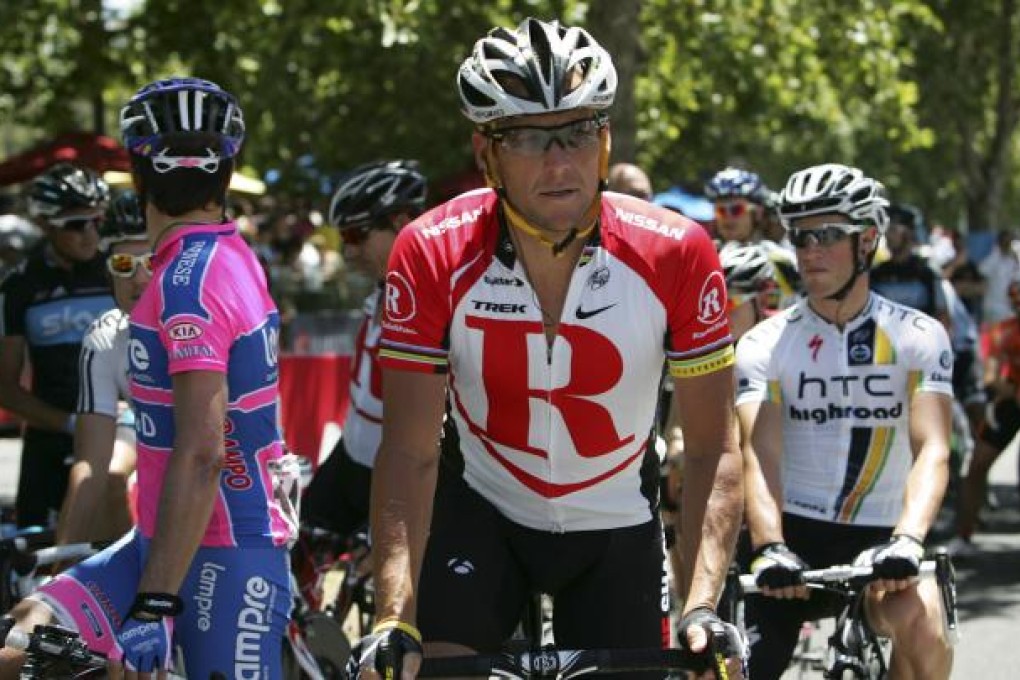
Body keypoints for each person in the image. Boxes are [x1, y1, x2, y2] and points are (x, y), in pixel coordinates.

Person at [348, 17, 745, 680]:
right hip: (482, 511)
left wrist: (701, 605)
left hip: (616, 522)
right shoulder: (431, 250)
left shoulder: (677, 251)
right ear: (487, 154)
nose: (559, 161)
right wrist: (394, 615)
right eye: (529, 138)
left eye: (577, 132)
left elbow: (711, 447)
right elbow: (411, 450)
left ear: (604, 139)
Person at [0, 77, 296, 678]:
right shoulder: (229, 253)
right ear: (227, 169)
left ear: (137, 172)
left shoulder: (188, 279)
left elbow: (202, 455)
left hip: (226, 553)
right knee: (25, 644)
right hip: (157, 542)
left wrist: (154, 605)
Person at [735, 163, 955, 680]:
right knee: (736, 669)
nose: (809, 251)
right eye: (799, 236)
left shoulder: (917, 336)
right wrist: (769, 547)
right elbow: (758, 453)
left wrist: (908, 538)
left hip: (883, 535)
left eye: (827, 235)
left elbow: (933, 449)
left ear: (868, 240)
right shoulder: (765, 343)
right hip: (791, 538)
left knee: (923, 629)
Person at [300, 159, 427, 540]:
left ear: (403, 222)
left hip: (395, 475)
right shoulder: (382, 286)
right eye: (343, 238)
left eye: (356, 235)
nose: (348, 252)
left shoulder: (437, 300)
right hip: (351, 457)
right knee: (296, 548)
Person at [0, 163, 114, 528]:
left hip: (120, 435)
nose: (91, 234)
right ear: (46, 225)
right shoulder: (20, 286)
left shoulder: (120, 272)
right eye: (76, 224)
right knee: (38, 563)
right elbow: (5, 386)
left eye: (98, 221)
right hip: (49, 440)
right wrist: (69, 424)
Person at [55, 190, 151, 545]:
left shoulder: (209, 326)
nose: (139, 279)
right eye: (125, 264)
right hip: (151, 432)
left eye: (153, 263)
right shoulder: (106, 337)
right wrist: (58, 574)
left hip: (227, 461)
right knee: (110, 474)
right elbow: (90, 468)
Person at [945, 279, 1020, 558]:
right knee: (976, 466)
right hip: (1007, 404)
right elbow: (990, 375)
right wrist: (1008, 388)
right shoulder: (1001, 331)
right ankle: (964, 535)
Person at [705, 166, 801, 309]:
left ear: (758, 212)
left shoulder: (781, 260)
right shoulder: (704, 257)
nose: (728, 217)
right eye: (721, 210)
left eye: (736, 209)